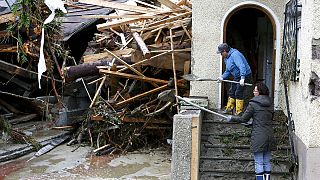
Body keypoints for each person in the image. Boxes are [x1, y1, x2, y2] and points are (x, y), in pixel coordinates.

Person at [226, 82, 274, 180]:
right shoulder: (271, 103)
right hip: (269, 135)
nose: (253, 92)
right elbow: (268, 118)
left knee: (259, 162)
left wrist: (232, 118)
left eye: (255, 90)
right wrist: (253, 123)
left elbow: (243, 119)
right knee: (266, 162)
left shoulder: (253, 103)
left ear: (259, 92)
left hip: (258, 136)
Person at [216, 43, 252, 115]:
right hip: (237, 76)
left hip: (245, 75)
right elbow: (228, 70)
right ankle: (229, 109)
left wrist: (242, 78)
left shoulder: (235, 55)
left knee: (238, 92)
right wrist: (222, 77)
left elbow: (242, 66)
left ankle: (239, 112)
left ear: (225, 51)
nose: (221, 55)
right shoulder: (226, 58)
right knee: (232, 91)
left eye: (221, 53)